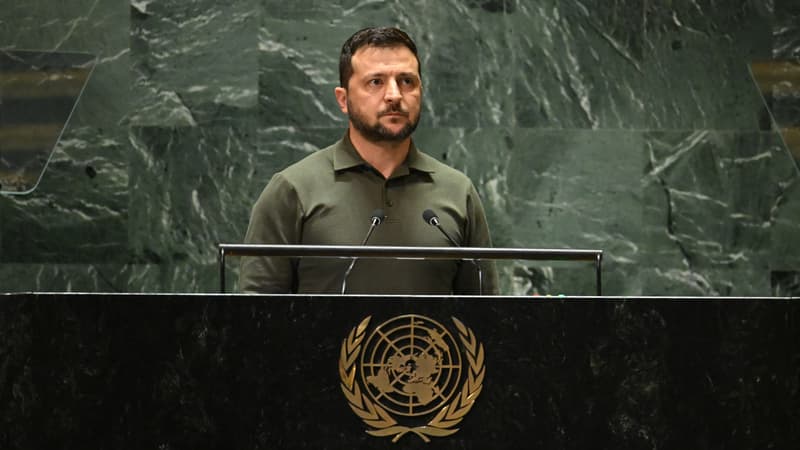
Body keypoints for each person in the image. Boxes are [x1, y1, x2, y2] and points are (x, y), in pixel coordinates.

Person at [239, 26, 498, 295]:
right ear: (343, 99)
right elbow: (254, 311)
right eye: (376, 82)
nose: (394, 95)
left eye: (407, 81)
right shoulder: (294, 190)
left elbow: (487, 311)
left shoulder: (457, 192)